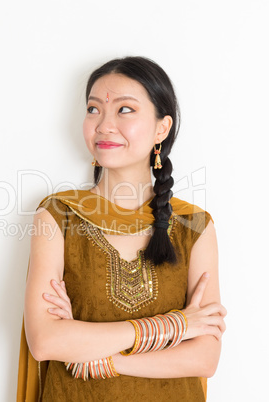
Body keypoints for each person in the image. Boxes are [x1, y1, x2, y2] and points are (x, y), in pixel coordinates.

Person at [17, 56, 226, 402]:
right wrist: (178, 326)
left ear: (162, 128)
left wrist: (102, 358)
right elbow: (45, 341)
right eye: (94, 109)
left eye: (125, 110)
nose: (104, 125)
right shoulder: (58, 215)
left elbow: (205, 357)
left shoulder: (195, 226)